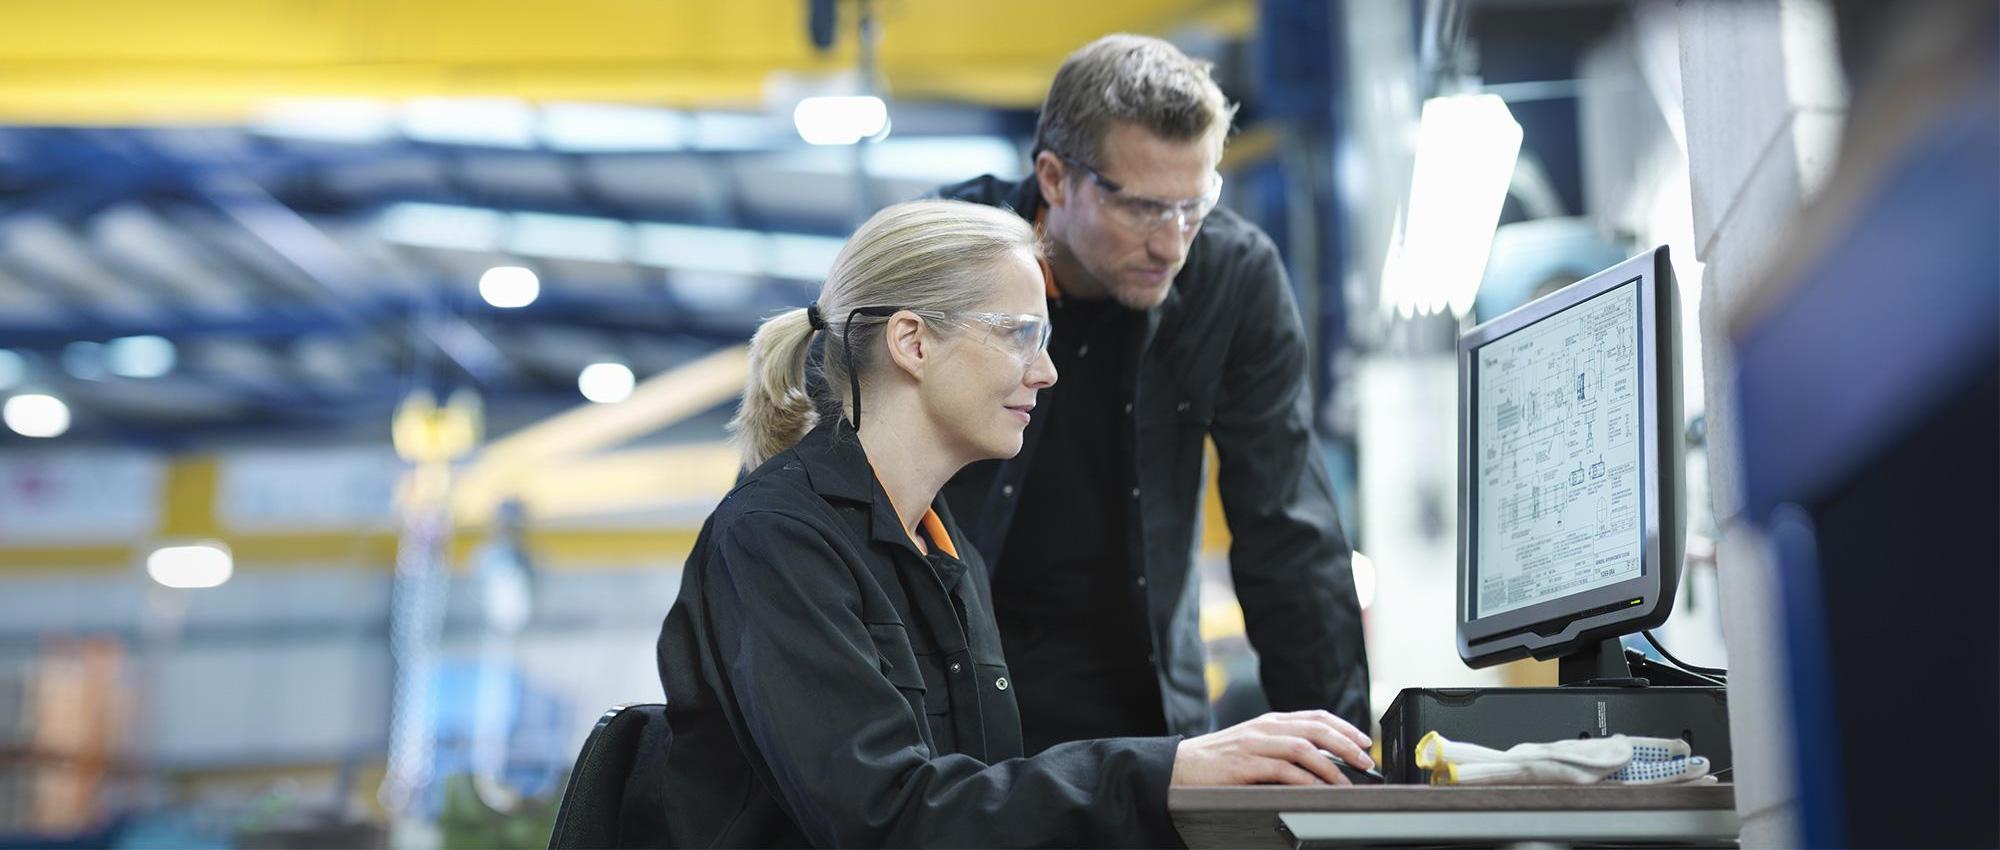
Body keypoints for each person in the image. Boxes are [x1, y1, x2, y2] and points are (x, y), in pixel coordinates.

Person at [638, 200, 1374, 848]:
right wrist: (1169, 769)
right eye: (1020, 333)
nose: (1047, 371)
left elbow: (976, 810)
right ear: (912, 343)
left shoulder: (945, 553)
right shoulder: (776, 542)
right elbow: (889, 821)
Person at [939, 34, 1369, 753]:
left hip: (1140, 727)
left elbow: (1289, 537)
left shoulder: (1232, 278)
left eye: (1193, 207)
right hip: (955, 725)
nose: (1173, 244)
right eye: (1142, 209)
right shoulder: (942, 260)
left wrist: (1348, 764)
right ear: (1054, 178)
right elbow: (831, 501)